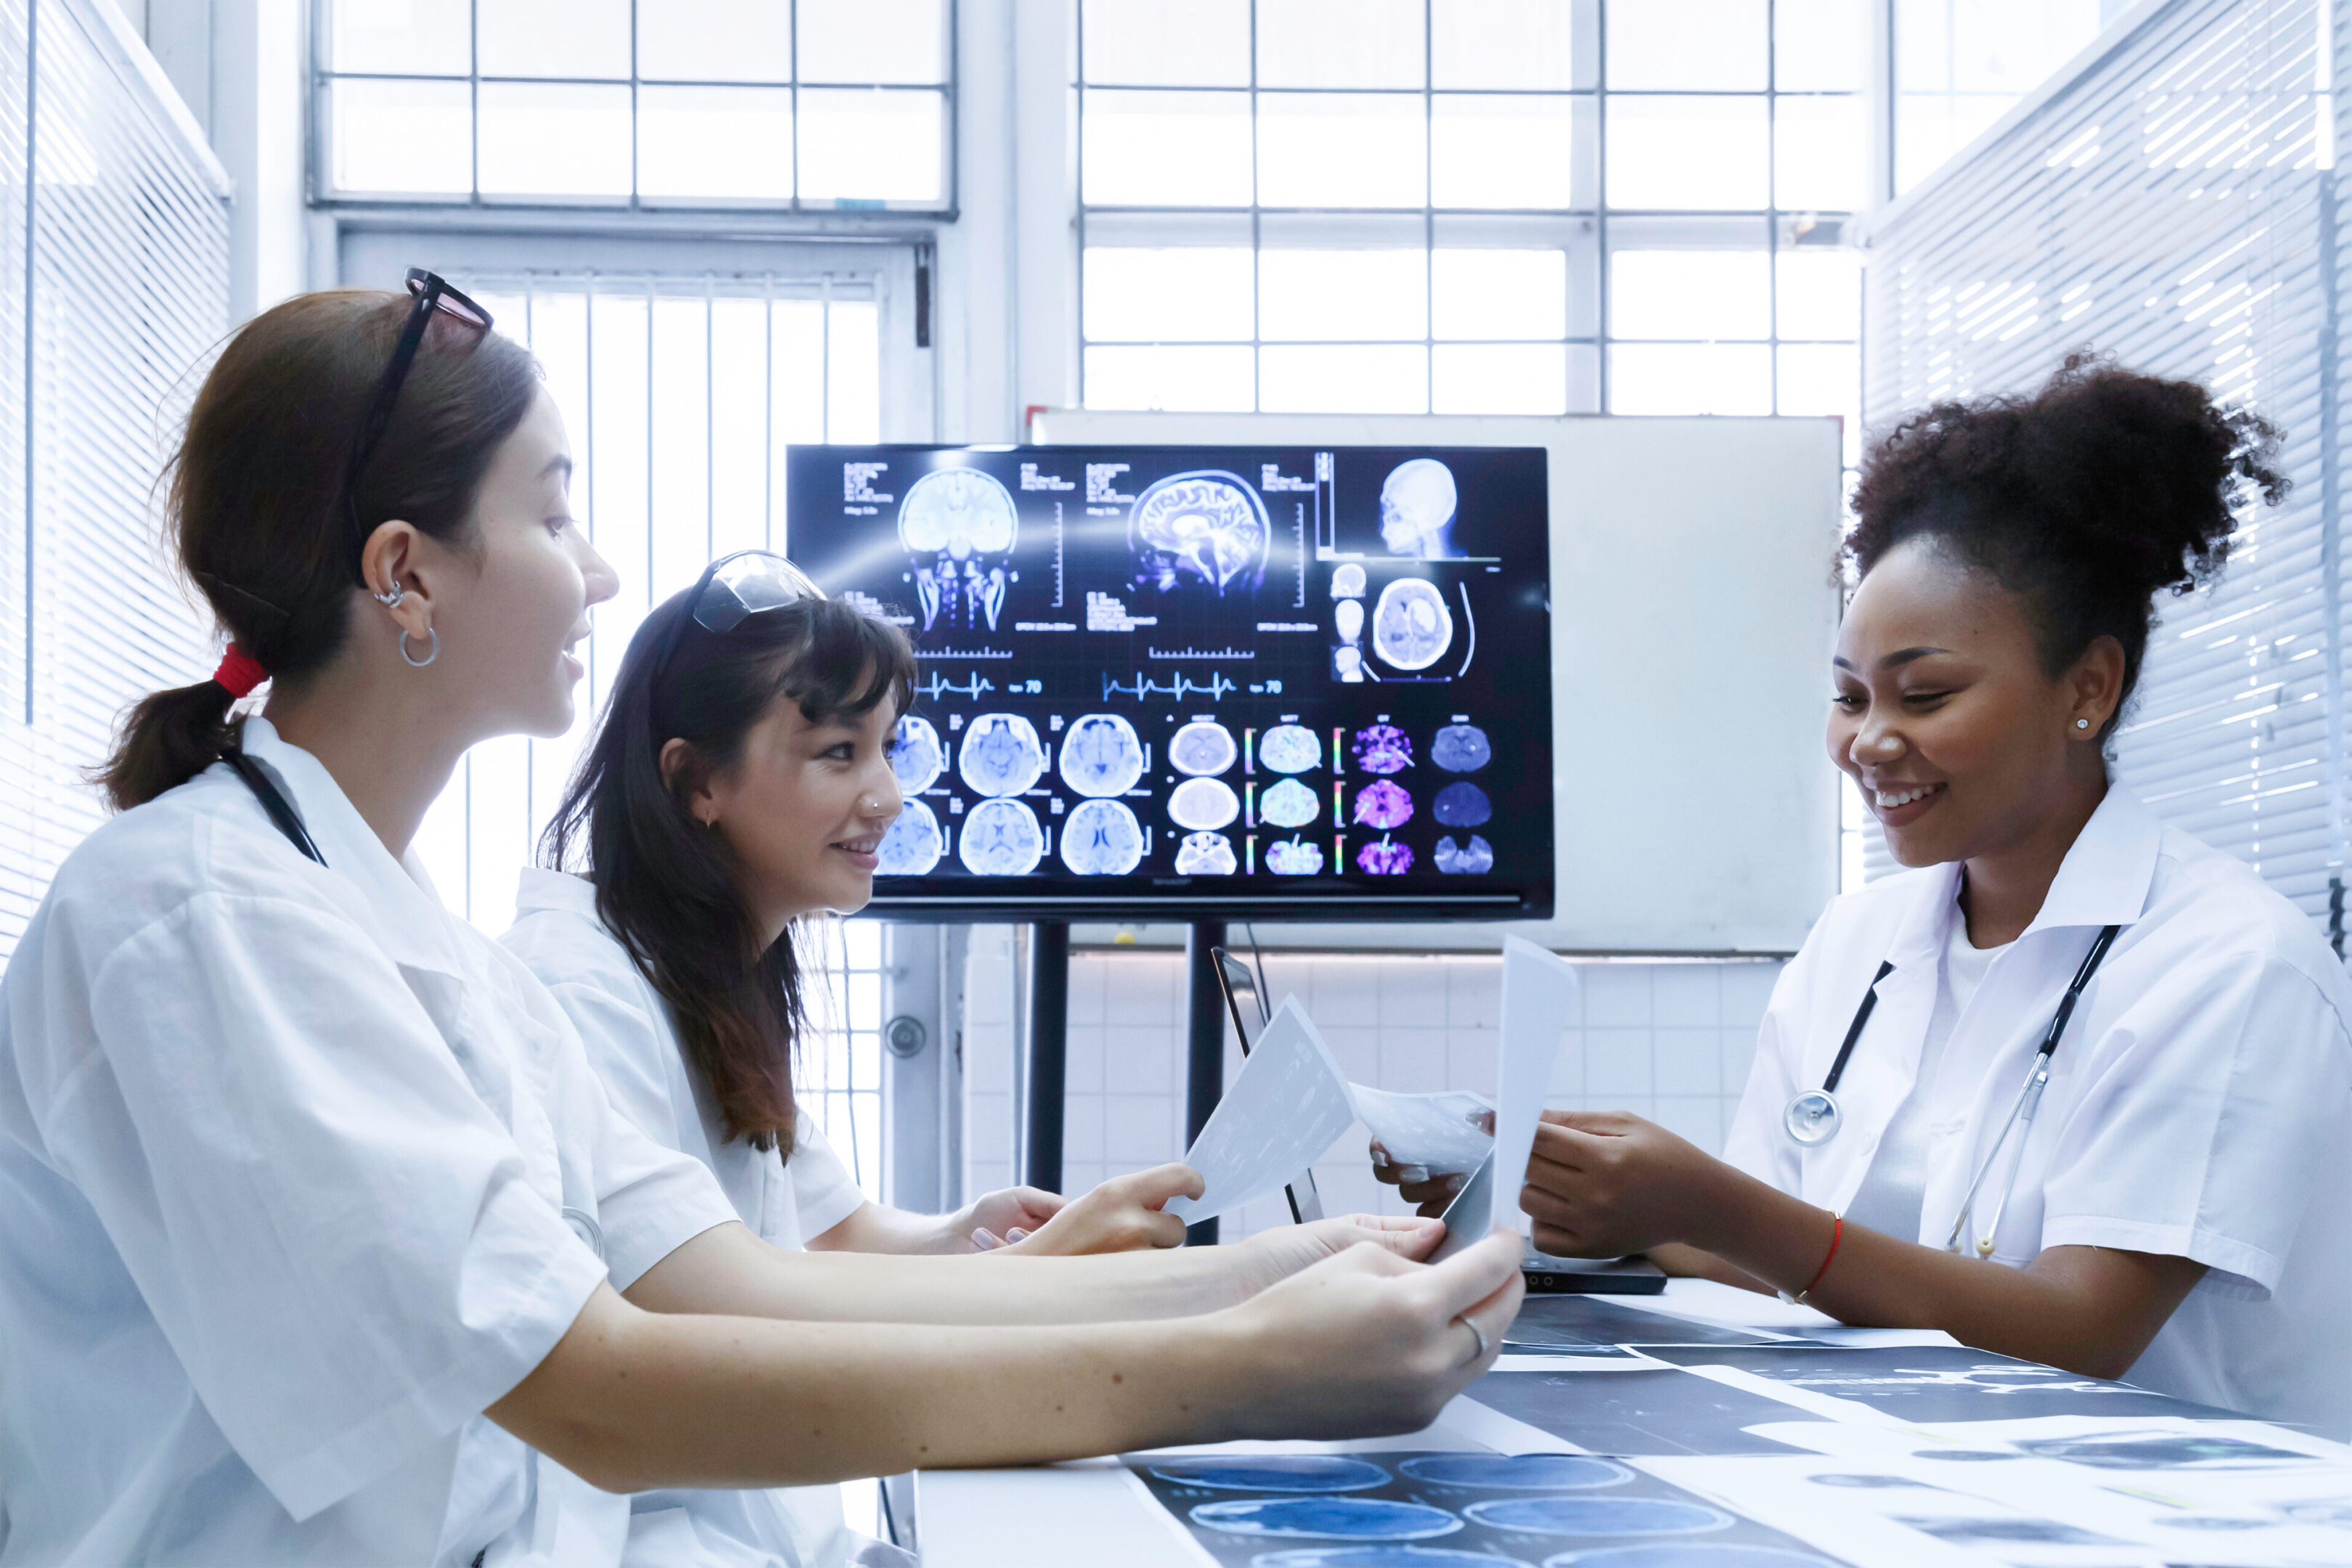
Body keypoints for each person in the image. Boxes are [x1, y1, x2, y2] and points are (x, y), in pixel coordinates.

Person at [0, 277, 1523, 1566]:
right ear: (405, 575)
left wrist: (1276, 1271)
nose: (597, 571)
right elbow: (598, 1389)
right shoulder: (202, 917)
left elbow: (730, 1283)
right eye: (553, 511)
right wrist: (1244, 1369)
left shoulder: (422, 949)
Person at [1384, 358, 2352, 1437]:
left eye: (1925, 694)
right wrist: (1568, 1199)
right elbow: (1759, 1259)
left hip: (2183, 1515)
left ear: (2088, 688)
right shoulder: (1863, 940)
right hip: (1914, 1479)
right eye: (1848, 697)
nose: (1871, 742)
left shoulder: (2227, 966)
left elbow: (2083, 1331)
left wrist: (1710, 1203)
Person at [501, 558, 1202, 1563]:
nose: (888, 796)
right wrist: (1051, 1282)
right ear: (695, 782)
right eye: (839, 753)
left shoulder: (709, 974)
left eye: (887, 748)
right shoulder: (581, 993)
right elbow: (717, 1303)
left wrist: (968, 1231)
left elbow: (828, 1232)